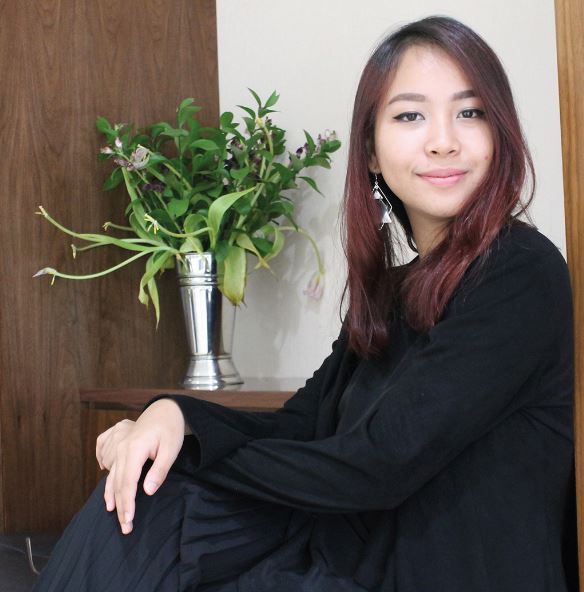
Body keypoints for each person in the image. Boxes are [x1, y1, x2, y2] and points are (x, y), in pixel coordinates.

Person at [34, 14, 578, 592]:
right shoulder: (391, 291)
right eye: (410, 115)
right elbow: (301, 425)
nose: (443, 139)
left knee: (162, 491)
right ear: (370, 152)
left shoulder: (520, 270)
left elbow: (377, 466)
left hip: (442, 574)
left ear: (499, 134)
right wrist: (175, 418)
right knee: (146, 501)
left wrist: (190, 452)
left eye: (470, 113)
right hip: (353, 558)